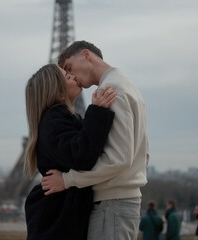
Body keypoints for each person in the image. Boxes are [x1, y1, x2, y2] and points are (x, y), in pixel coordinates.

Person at [41, 40, 149, 240]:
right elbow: (141, 153)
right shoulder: (127, 85)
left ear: (86, 55)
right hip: (123, 201)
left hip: (112, 204)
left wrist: (67, 180)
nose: (70, 76)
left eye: (69, 68)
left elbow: (118, 159)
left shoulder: (110, 91)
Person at [24, 63, 117, 240]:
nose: (73, 76)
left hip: (58, 215)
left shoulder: (57, 119)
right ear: (58, 93)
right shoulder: (54, 120)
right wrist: (97, 112)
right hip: (59, 218)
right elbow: (81, 156)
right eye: (67, 76)